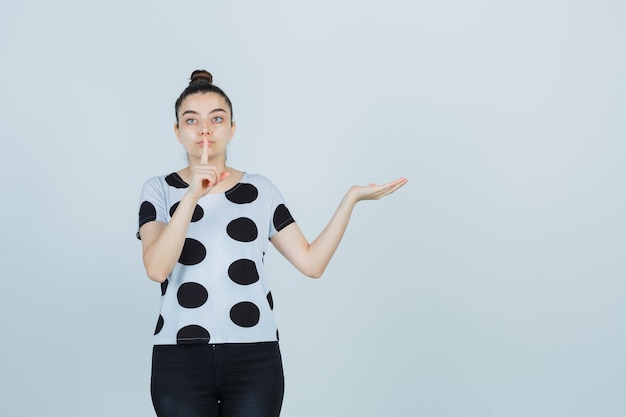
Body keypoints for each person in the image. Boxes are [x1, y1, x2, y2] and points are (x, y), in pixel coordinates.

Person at [137, 69, 407, 417]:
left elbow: (312, 264)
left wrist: (350, 200)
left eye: (216, 119)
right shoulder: (158, 190)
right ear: (177, 131)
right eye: (192, 120)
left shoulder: (260, 191)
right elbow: (157, 268)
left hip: (254, 358)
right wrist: (191, 197)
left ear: (232, 128)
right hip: (179, 358)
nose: (205, 129)